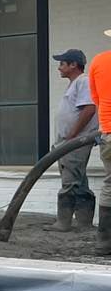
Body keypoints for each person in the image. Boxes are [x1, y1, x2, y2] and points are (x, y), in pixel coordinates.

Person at [48, 50, 97, 232]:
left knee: (70, 180)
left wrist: (72, 136)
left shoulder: (83, 81)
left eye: (62, 64)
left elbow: (89, 108)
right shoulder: (75, 84)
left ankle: (64, 222)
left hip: (75, 142)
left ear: (73, 65)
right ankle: (84, 222)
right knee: (79, 181)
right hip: (69, 142)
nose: (59, 68)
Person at [86, 50, 111, 254]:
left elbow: (96, 98)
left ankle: (104, 241)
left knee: (110, 183)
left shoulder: (99, 60)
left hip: (108, 132)